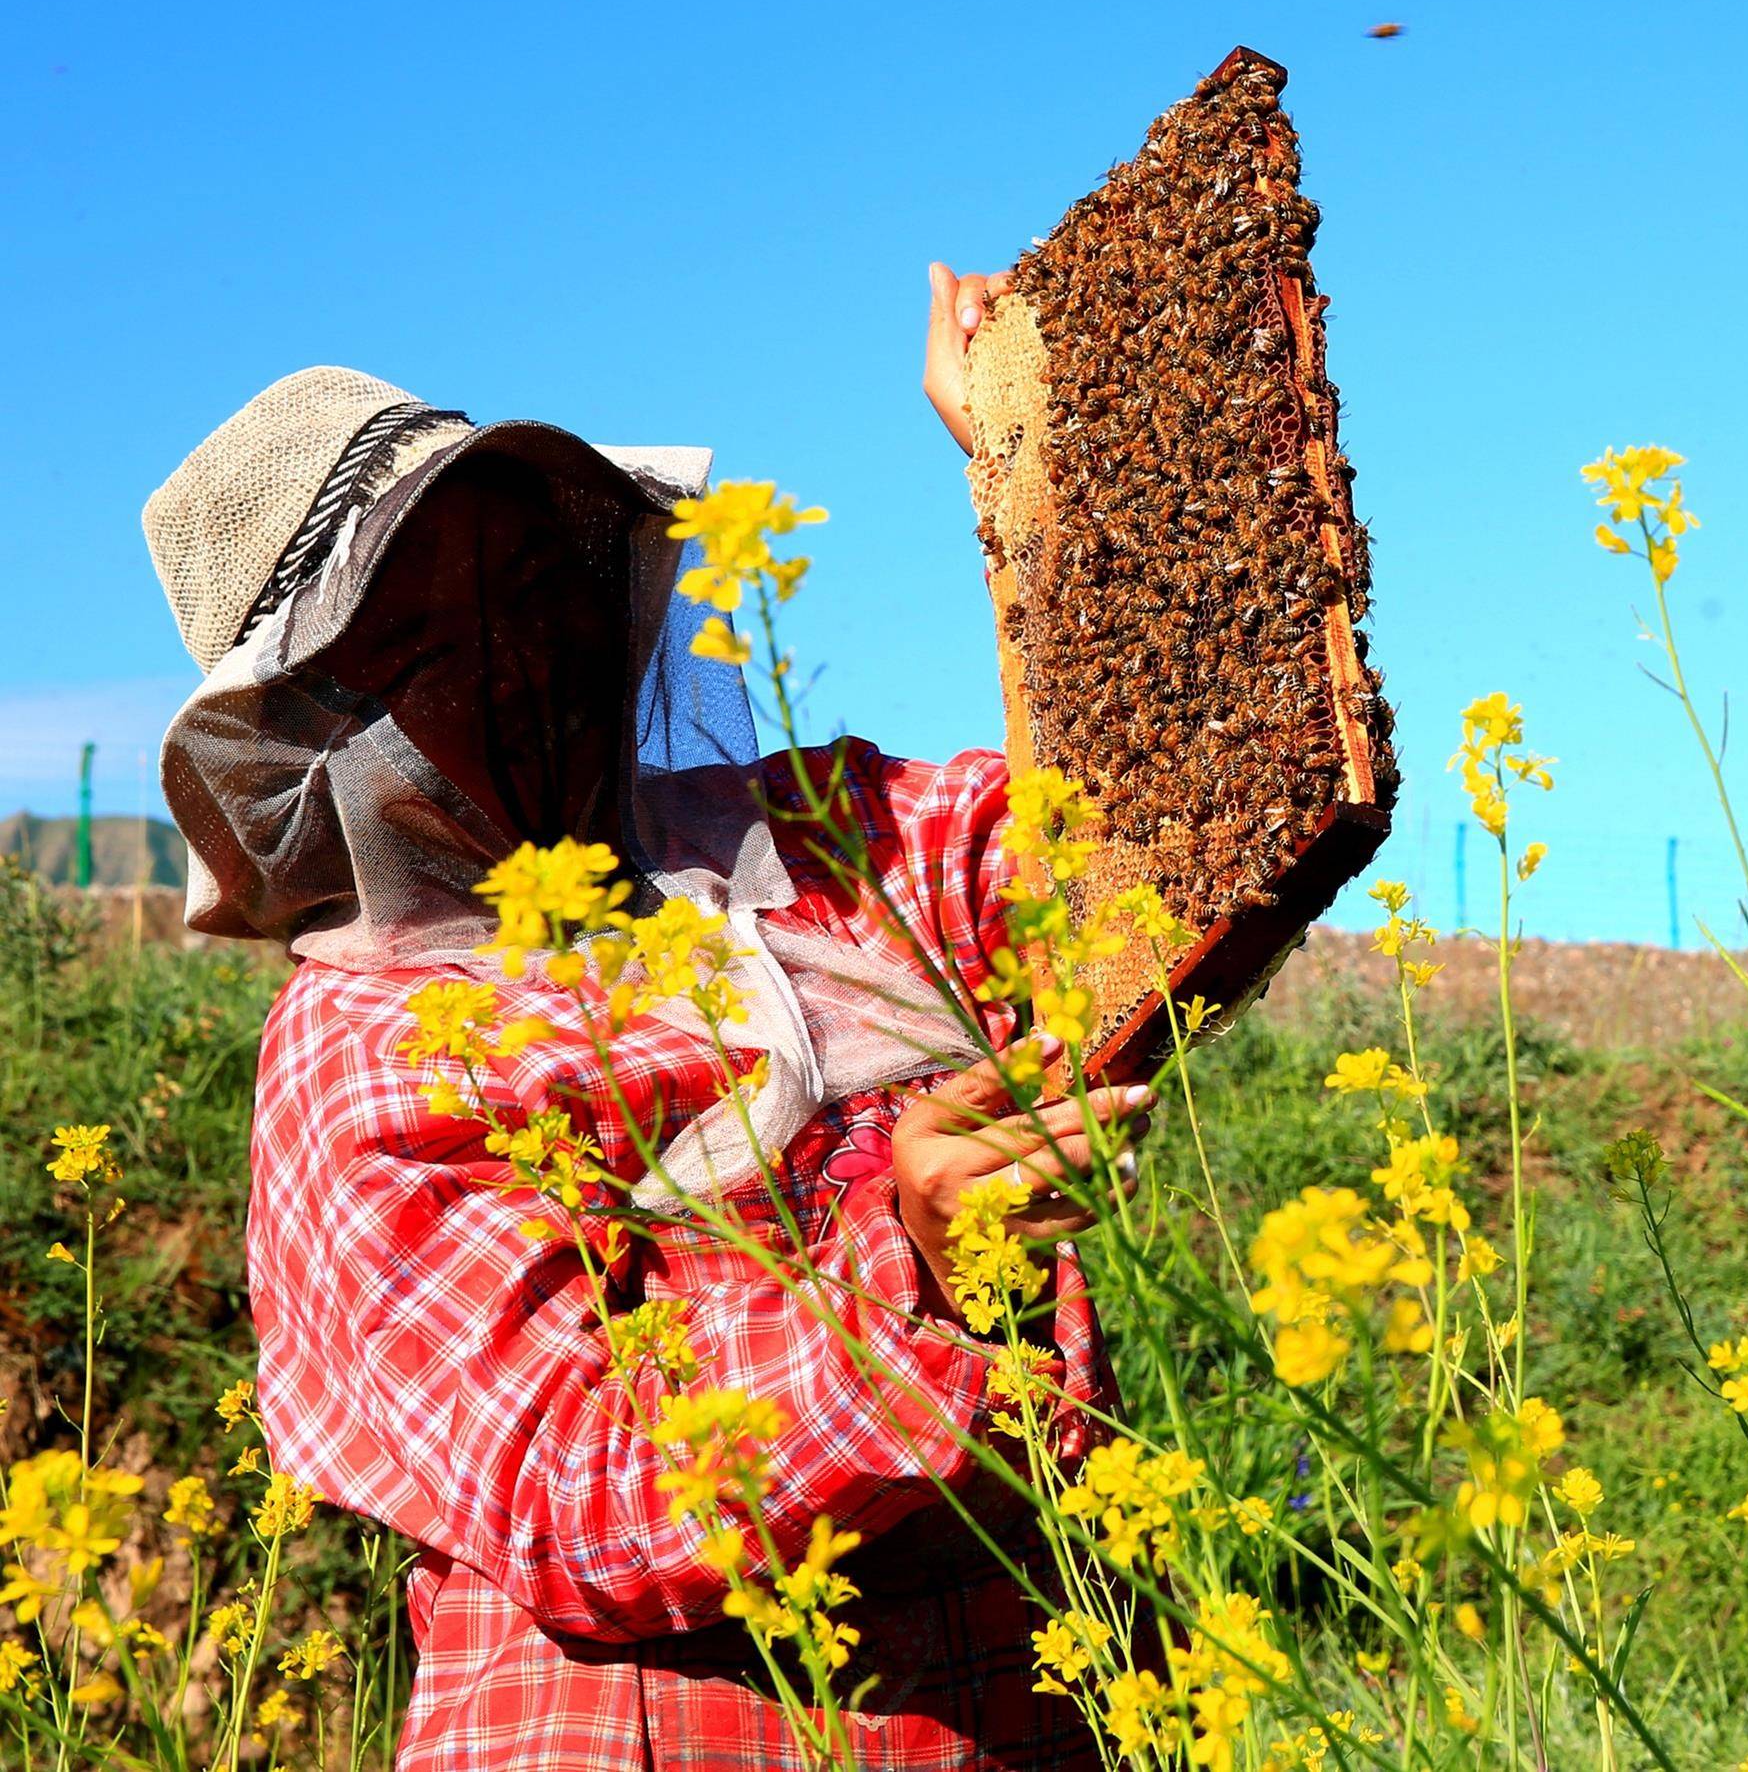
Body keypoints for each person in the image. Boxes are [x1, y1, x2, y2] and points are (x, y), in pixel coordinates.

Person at [144, 270, 1135, 1771]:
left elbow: (1122, 865)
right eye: (433, 636)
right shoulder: (360, 1048)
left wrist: (1045, 468)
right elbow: (579, 1486)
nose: (526, 653)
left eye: (538, 584)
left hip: (1041, 1699)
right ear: (318, 727)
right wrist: (909, 1264)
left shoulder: (822, 837)